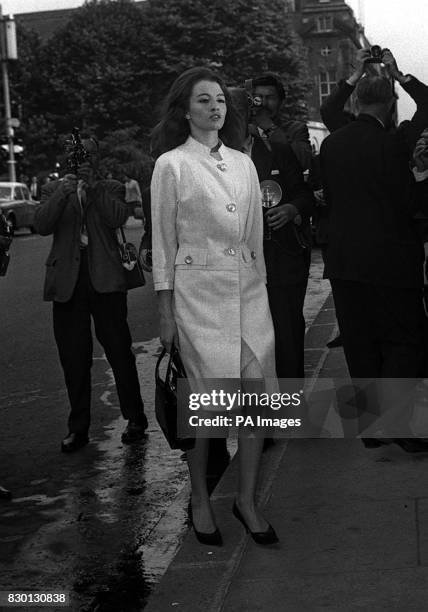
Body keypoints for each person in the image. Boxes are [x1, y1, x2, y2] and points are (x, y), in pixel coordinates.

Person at [151, 67, 278, 546]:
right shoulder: (171, 165)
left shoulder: (245, 164)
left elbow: (254, 237)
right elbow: (163, 244)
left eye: (220, 100)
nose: (215, 108)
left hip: (249, 295)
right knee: (208, 411)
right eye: (204, 100)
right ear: (186, 109)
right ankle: (201, 498)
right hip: (197, 297)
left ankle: (246, 501)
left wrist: (261, 287)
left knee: (254, 405)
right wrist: (166, 312)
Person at [320, 75, 428, 453]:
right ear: (391, 102)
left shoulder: (334, 142)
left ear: (359, 101)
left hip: (345, 259)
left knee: (360, 343)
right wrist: (401, 75)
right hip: (392, 258)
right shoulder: (395, 142)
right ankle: (396, 422)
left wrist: (354, 76)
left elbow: (329, 110)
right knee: (406, 340)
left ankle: (370, 427)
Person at [34, 136, 147, 453]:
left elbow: (117, 218)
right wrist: (65, 191)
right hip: (68, 283)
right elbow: (42, 224)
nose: (79, 161)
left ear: (97, 159)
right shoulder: (53, 189)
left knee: (119, 352)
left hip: (106, 280)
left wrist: (93, 186)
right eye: (73, 157)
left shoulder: (110, 186)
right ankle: (78, 428)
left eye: (86, 156)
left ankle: (135, 418)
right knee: (73, 357)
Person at [231, 84, 314, 380]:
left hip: (280, 259)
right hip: (238, 265)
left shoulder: (276, 150)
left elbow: (304, 195)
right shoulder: (214, 159)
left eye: (238, 112)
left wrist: (292, 209)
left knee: (287, 332)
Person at [248, 73, 312, 172]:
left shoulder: (295, 130)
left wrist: (270, 128)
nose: (264, 103)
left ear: (281, 102)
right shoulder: (242, 130)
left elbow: (303, 162)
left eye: (270, 98)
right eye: (258, 98)